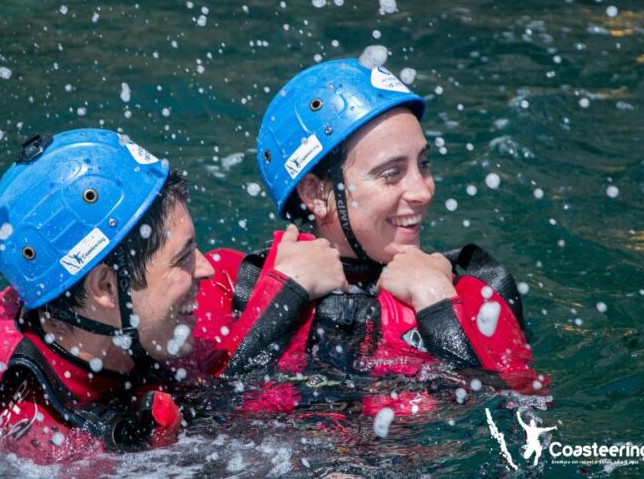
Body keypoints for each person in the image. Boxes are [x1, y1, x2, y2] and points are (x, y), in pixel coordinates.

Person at [0, 128, 344, 463]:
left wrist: (283, 287)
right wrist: (282, 301)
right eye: (182, 258)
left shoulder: (146, 304)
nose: (206, 268)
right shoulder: (21, 431)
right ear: (104, 287)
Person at [190, 59, 542, 416]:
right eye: (392, 174)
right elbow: (198, 416)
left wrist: (438, 307)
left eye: (424, 163)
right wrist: (286, 294)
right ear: (314, 193)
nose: (423, 191)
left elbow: (516, 423)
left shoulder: (472, 291)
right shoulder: (228, 284)